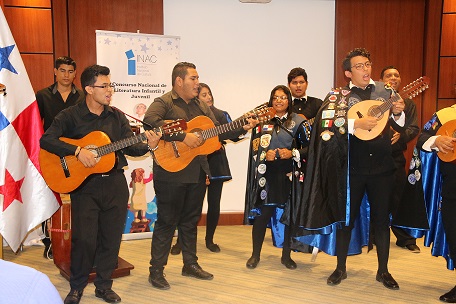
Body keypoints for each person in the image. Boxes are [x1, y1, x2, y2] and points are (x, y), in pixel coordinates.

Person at [40, 64, 161, 304]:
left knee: (111, 237)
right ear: (88, 89)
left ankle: (104, 286)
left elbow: (132, 146)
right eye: (104, 86)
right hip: (85, 186)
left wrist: (152, 144)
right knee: (84, 239)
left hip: (115, 183)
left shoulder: (116, 116)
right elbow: (47, 140)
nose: (109, 90)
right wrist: (77, 151)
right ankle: (77, 287)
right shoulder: (70, 116)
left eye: (110, 85)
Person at [294, 48, 403, 289]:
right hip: (351, 169)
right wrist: (355, 123)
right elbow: (325, 123)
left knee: (382, 221)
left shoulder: (386, 91)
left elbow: (401, 125)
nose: (366, 69)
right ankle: (340, 268)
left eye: (367, 64)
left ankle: (383, 271)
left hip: (383, 169)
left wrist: (399, 112)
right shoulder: (338, 96)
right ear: (348, 73)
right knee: (346, 220)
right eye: (359, 66)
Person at [143, 62, 258, 290]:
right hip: (170, 172)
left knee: (190, 220)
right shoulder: (163, 103)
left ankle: (190, 264)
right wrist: (182, 137)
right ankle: (156, 271)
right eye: (193, 79)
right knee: (167, 221)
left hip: (196, 171)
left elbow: (218, 129)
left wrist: (242, 127)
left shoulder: (201, 106)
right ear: (179, 81)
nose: (197, 83)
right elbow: (150, 123)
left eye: (197, 79)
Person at [170, 83, 244, 255]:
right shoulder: (192, 116)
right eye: (203, 95)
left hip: (216, 161)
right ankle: (181, 241)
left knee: (214, 203)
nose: (208, 97)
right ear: (196, 99)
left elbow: (232, 133)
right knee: (190, 205)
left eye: (209, 94)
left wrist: (244, 126)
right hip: (195, 162)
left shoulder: (221, 114)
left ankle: (209, 239)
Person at [244, 85, 310, 270]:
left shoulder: (299, 122)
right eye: (275, 98)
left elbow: (311, 147)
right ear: (271, 101)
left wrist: (292, 152)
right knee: (262, 215)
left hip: (290, 174)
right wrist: (266, 155)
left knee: (289, 215)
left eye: (282, 97)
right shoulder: (263, 122)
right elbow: (256, 149)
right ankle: (255, 255)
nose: (279, 101)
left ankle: (286, 256)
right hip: (267, 174)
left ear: (289, 100)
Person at [36, 56, 85, 260]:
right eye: (62, 70)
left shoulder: (83, 96)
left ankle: (75, 240)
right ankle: (50, 242)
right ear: (55, 71)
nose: (66, 75)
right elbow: (35, 125)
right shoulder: (42, 95)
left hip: (78, 156)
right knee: (50, 199)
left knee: (79, 198)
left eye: (70, 71)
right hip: (51, 154)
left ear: (75, 73)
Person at [416, 103, 456, 303]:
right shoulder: (445, 114)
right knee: (454, 236)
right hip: (452, 188)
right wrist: (437, 140)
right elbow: (421, 138)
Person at [380, 66, 421, 252]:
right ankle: (372, 236)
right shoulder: (376, 100)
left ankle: (405, 238)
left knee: (399, 197)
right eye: (389, 75)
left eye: (397, 75)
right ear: (382, 80)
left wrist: (400, 135)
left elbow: (413, 128)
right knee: (374, 198)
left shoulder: (408, 104)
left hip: (395, 157)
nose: (393, 77)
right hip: (374, 157)